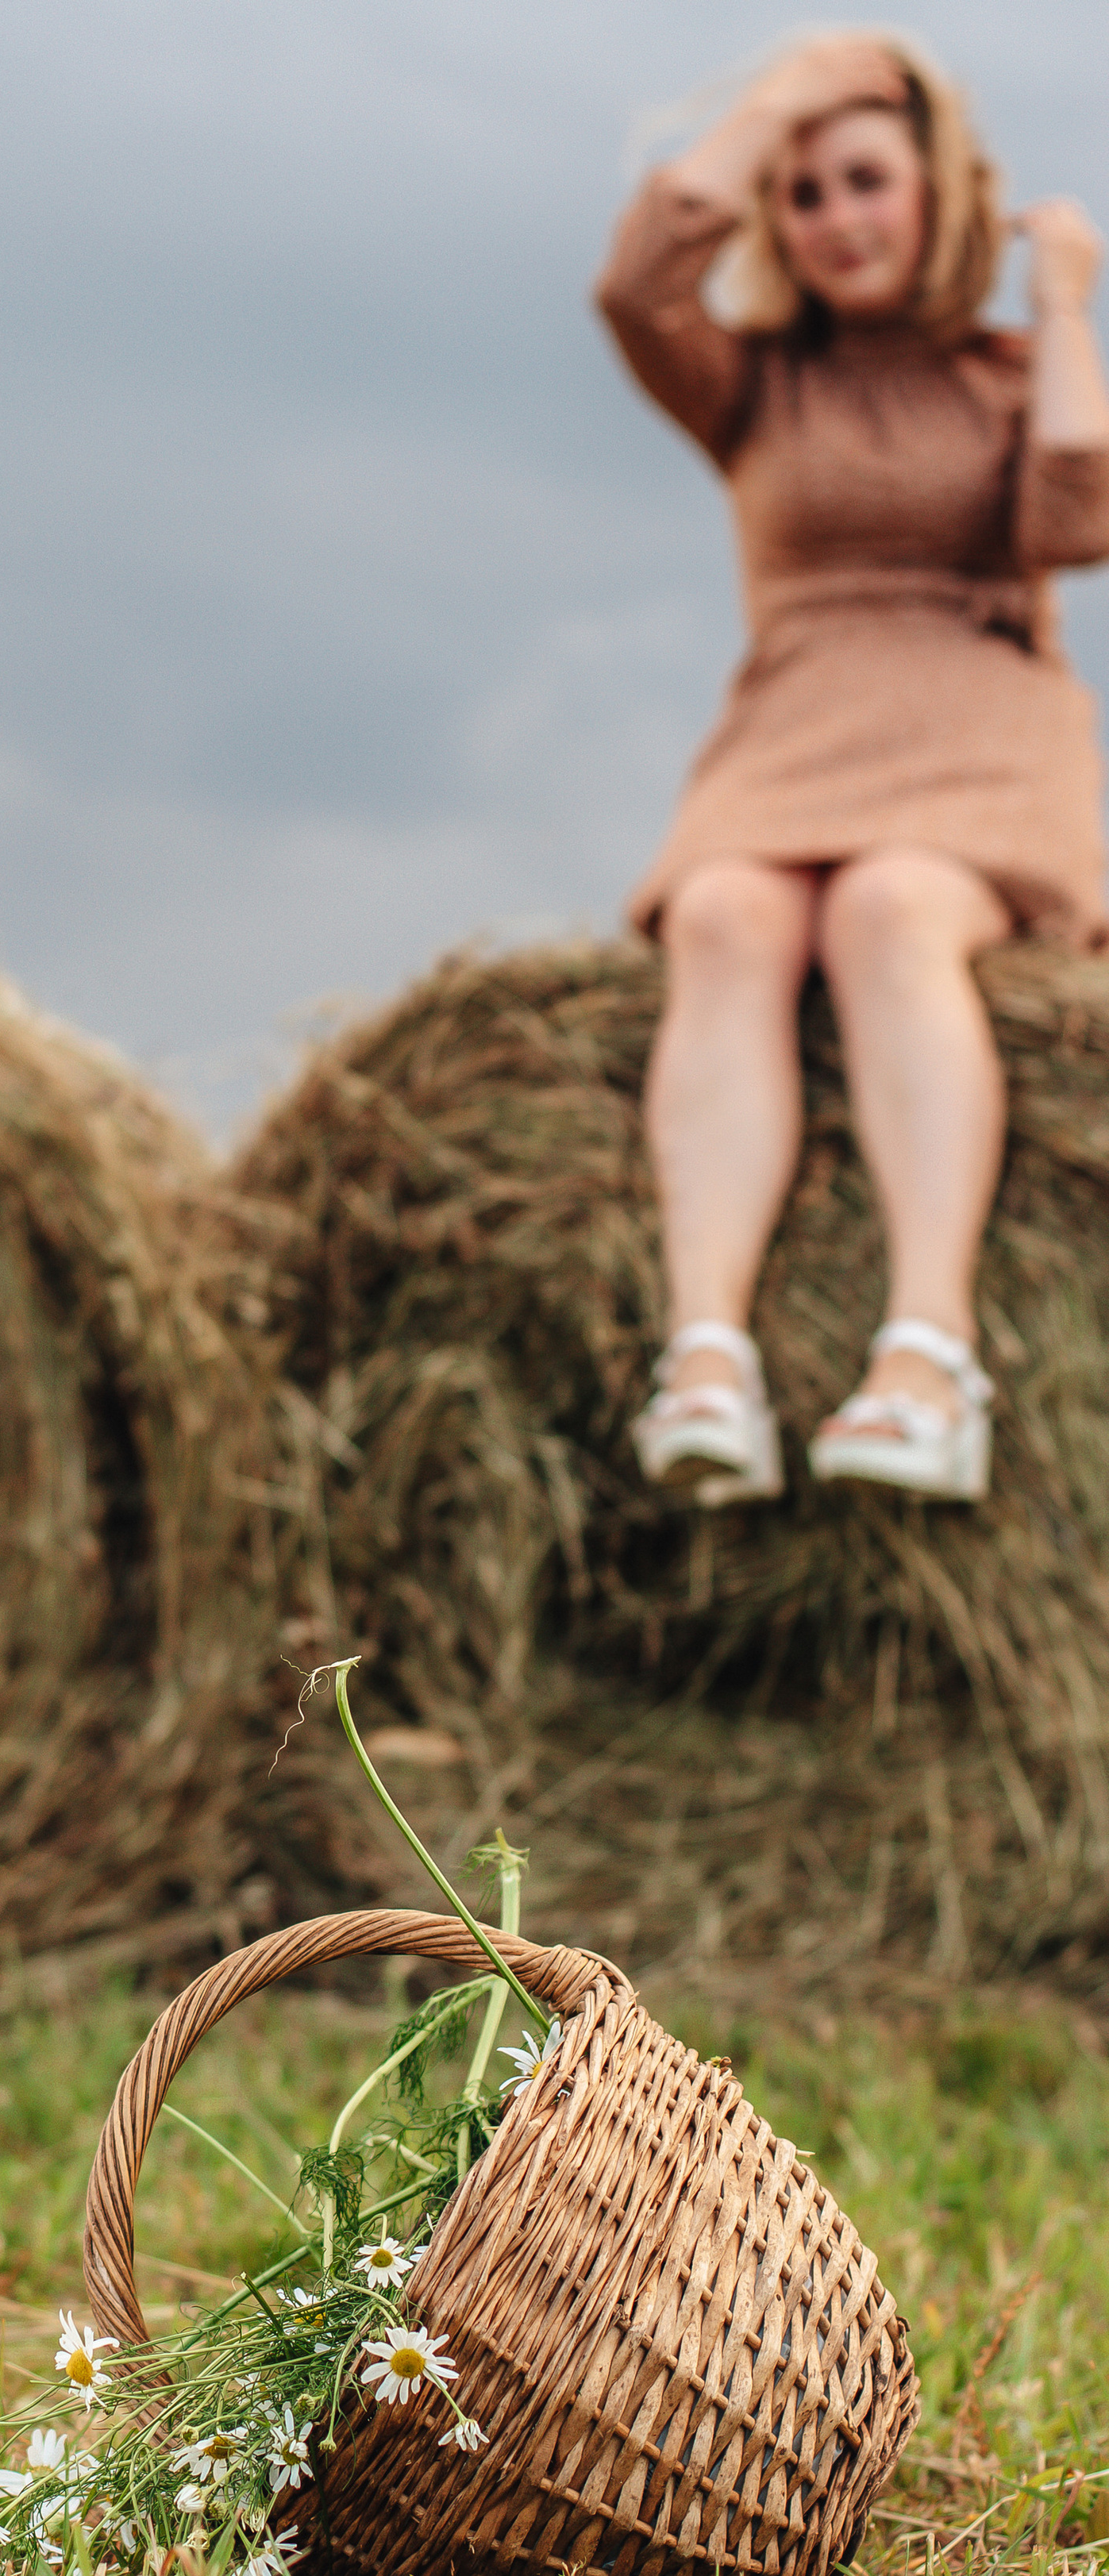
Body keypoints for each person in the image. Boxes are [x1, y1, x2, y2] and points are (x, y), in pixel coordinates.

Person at [596, 36, 1109, 1504]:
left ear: (936, 190)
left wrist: (1063, 303)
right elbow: (634, 284)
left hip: (976, 712)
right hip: (794, 720)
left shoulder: (1012, 374)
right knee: (724, 920)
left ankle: (928, 1356)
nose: (837, 218)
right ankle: (705, 1354)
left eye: (868, 181)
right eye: (805, 193)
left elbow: (1078, 517)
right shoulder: (751, 386)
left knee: (890, 909)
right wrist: (774, 99)